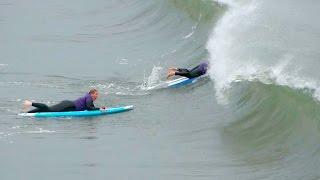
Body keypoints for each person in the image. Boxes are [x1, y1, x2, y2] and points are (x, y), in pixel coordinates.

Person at [23, 89, 106, 113]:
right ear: (91, 94)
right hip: (68, 105)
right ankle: (30, 103)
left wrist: (99, 108)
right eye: (96, 94)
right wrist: (99, 109)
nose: (97, 96)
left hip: (68, 105)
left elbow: (91, 107)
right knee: (49, 109)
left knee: (49, 110)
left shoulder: (88, 98)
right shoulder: (89, 98)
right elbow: (89, 108)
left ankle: (28, 113)